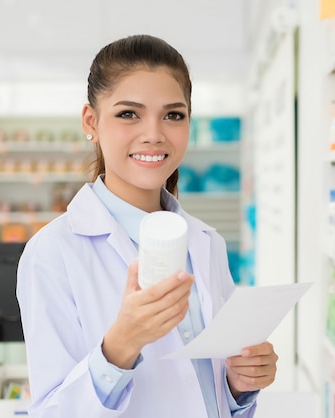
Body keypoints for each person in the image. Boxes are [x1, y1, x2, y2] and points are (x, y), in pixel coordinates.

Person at [16, 34, 278, 418]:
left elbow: (204, 395)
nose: (154, 133)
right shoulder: (53, 253)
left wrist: (239, 386)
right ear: (91, 121)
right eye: (128, 114)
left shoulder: (207, 243)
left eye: (173, 115)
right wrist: (121, 345)